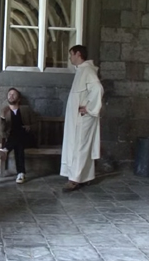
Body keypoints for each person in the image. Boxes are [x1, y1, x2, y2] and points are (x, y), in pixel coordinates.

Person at [60, 45, 104, 192]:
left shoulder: (87, 70)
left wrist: (89, 108)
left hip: (83, 118)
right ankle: (85, 176)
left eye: (71, 54)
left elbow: (97, 89)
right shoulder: (82, 71)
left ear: (78, 54)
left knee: (79, 147)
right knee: (80, 146)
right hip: (79, 118)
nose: (70, 58)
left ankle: (75, 179)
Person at [0, 88, 36, 183]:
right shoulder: (4, 111)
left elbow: (36, 125)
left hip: (27, 138)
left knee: (20, 132)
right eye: (9, 94)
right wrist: (2, 119)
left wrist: (29, 127)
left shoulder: (25, 109)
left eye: (14, 94)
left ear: (19, 99)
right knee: (18, 144)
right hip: (15, 140)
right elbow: (1, 132)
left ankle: (6, 149)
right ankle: (21, 173)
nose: (11, 96)